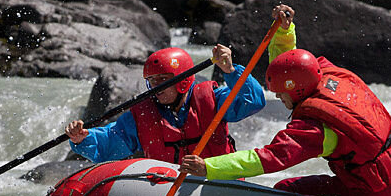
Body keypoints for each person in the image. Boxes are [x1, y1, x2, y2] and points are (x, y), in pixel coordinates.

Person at [179, 4, 391, 196]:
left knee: (285, 188)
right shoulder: (330, 75)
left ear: (296, 91)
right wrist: (284, 31)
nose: (277, 96)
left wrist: (209, 167)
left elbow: (268, 158)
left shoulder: (316, 129)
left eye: (281, 93)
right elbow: (291, 64)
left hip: (376, 195)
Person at [64, 44, 265, 164]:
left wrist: (230, 71)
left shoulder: (212, 99)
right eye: (152, 81)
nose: (156, 86)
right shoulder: (143, 115)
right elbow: (109, 142)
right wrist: (83, 138)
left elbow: (253, 102)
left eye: (163, 79)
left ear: (183, 80)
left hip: (215, 183)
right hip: (168, 189)